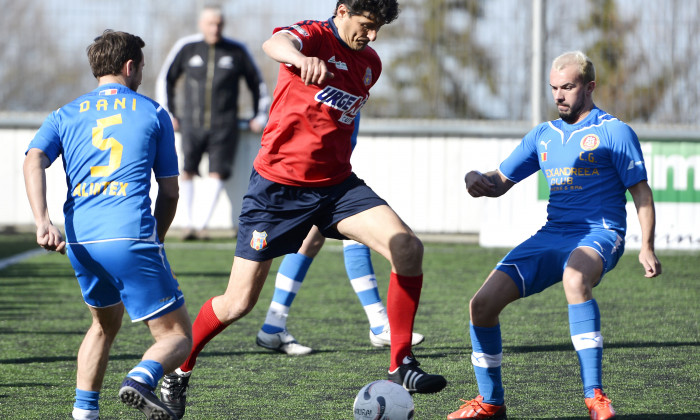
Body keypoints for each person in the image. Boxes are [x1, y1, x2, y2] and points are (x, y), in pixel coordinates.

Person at [159, 1, 447, 417]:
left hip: (336, 187)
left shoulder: (370, 65)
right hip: (277, 190)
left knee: (407, 247)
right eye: (367, 25)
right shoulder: (312, 35)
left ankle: (400, 362)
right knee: (238, 303)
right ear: (344, 10)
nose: (373, 36)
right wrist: (299, 58)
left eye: (379, 28)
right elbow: (274, 42)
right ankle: (179, 368)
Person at [446, 50, 662, 420]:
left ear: (589, 87)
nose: (559, 95)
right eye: (553, 88)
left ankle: (595, 397)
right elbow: (499, 181)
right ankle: (490, 402)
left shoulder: (614, 131)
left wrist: (646, 245)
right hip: (552, 235)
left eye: (568, 87)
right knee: (481, 305)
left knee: (575, 278)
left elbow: (641, 192)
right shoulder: (542, 136)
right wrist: (475, 179)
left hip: (600, 232)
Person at [23, 30, 192, 420]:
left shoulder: (64, 114)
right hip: (129, 233)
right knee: (177, 336)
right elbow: (169, 193)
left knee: (103, 324)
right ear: (129, 66)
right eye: (142, 68)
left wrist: (42, 221)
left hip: (81, 239)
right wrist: (157, 239)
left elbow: (33, 159)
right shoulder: (152, 112)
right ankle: (140, 378)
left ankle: (84, 414)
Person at [256, 116, 425, 355]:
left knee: (313, 240)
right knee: (349, 233)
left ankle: (273, 326)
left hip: (327, 170)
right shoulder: (326, 84)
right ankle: (378, 324)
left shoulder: (352, 85)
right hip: (308, 171)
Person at [156, 5, 271, 240]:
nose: (214, 28)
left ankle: (202, 225)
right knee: (186, 171)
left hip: (225, 126)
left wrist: (260, 116)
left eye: (218, 24)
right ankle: (187, 225)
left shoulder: (237, 51)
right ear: (201, 25)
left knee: (217, 173)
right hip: (191, 124)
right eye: (210, 23)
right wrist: (169, 114)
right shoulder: (187, 48)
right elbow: (166, 79)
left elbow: (257, 83)